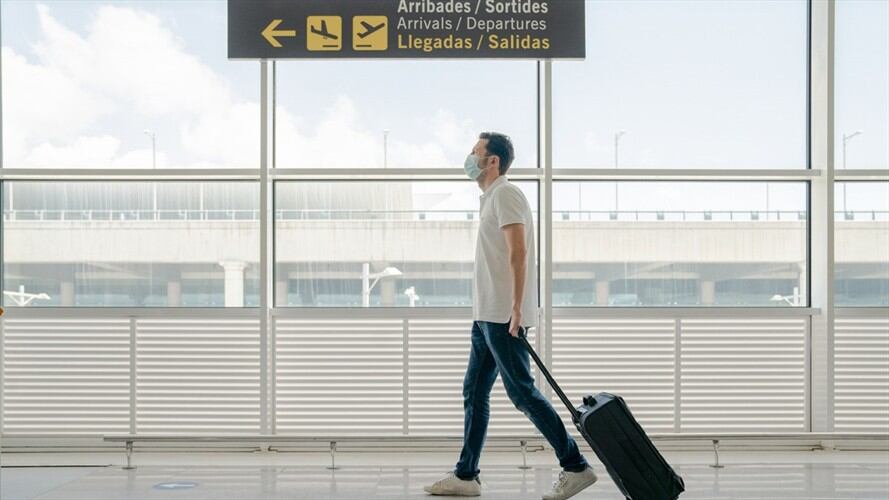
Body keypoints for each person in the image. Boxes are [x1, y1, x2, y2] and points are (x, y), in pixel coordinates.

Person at [423, 132, 597, 500]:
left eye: (475, 151)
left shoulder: (506, 193)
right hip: (486, 315)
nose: (469, 156)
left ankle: (576, 465)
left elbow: (518, 252)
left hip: (503, 316)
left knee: (522, 394)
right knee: (474, 392)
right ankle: (466, 475)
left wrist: (518, 308)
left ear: (493, 161)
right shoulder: (490, 199)